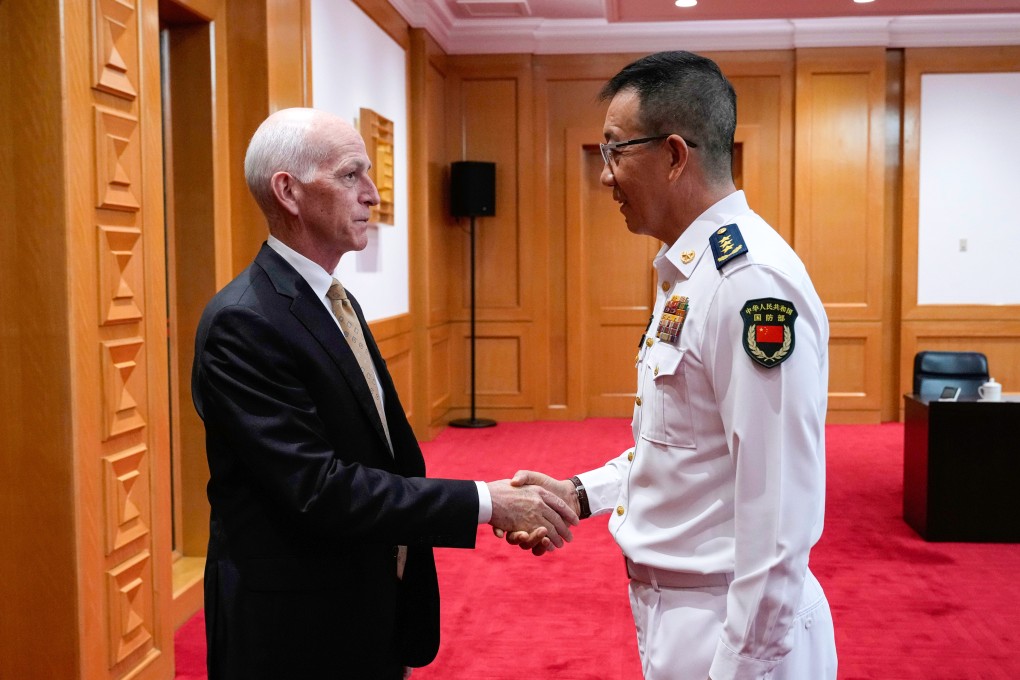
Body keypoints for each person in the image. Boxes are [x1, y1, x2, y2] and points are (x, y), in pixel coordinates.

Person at [191, 107, 577, 680]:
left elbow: (383, 454)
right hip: (294, 629)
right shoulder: (243, 321)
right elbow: (318, 489)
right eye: (351, 175)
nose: (372, 194)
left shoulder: (333, 299)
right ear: (288, 192)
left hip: (365, 600)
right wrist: (487, 503)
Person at [506, 51, 837, 679]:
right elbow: (682, 446)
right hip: (686, 613)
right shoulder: (690, 272)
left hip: (733, 629)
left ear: (674, 155)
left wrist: (741, 669)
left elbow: (779, 512)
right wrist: (580, 493)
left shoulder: (747, 283)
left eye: (614, 150)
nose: (605, 175)